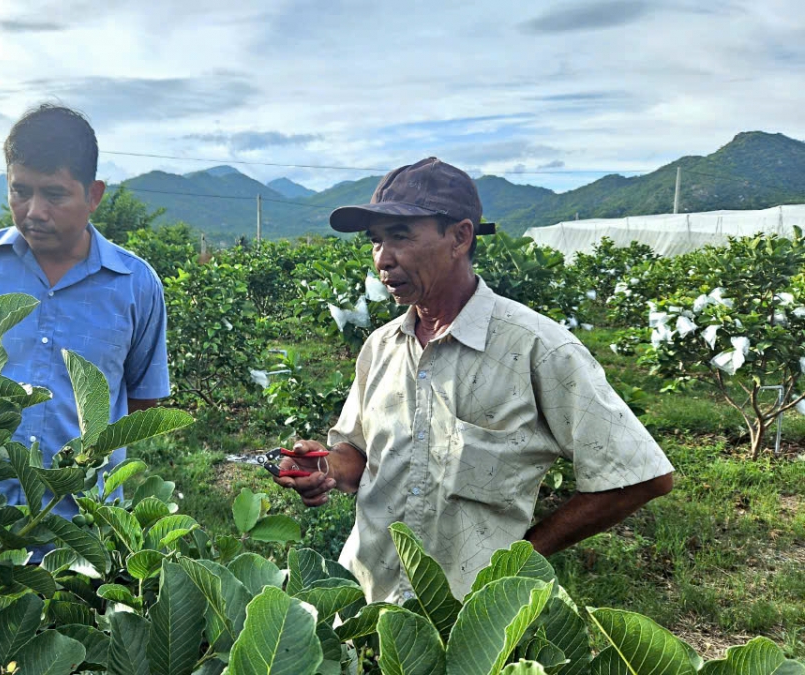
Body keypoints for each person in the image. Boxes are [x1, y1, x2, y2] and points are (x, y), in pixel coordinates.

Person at [273, 157, 674, 602]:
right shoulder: (381, 346)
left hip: (471, 617)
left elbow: (641, 476)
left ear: (460, 237)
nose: (383, 259)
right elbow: (358, 453)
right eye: (376, 241)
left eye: (401, 236)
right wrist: (324, 469)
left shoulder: (536, 346)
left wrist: (520, 560)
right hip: (368, 601)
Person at [0, 104, 170, 524]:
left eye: (54, 194)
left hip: (83, 523)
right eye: (20, 191)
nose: (34, 211)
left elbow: (142, 402)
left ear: (93, 195)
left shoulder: (136, 284)